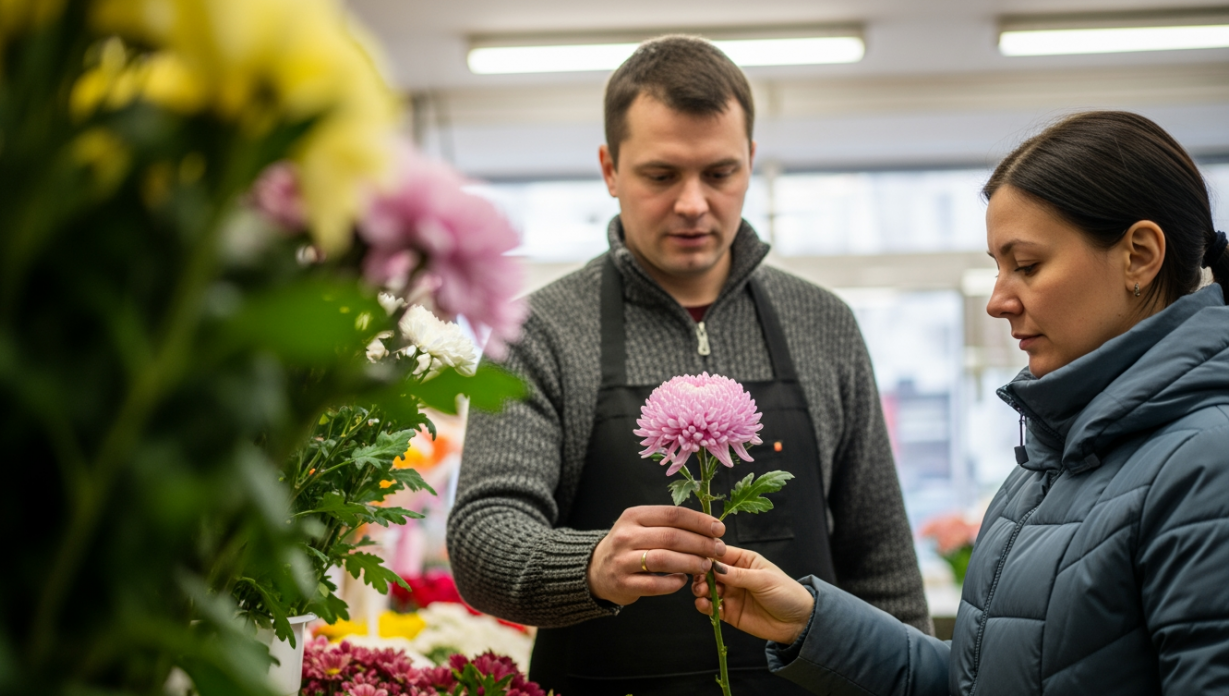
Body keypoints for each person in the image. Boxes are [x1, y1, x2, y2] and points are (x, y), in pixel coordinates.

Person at [446, 35, 930, 695]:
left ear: (751, 162)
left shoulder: (823, 324)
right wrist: (590, 564)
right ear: (610, 168)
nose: (694, 203)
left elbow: (884, 567)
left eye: (720, 172)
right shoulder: (538, 331)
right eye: (661, 174)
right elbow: (482, 538)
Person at [692, 110, 1229, 695]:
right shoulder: (1048, 468)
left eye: (1027, 265)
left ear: (1140, 255)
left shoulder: (1207, 465)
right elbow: (977, 683)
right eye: (998, 268)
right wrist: (810, 622)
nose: (998, 300)